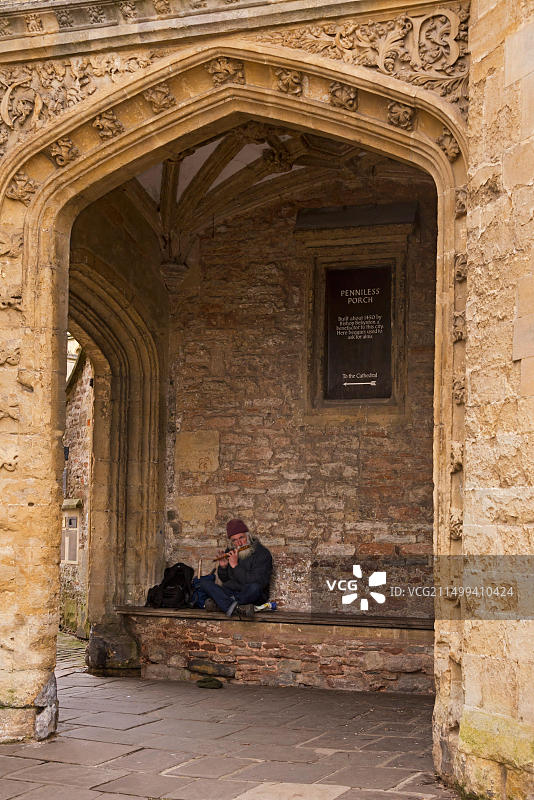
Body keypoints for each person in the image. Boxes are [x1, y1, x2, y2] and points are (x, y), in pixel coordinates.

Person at [198, 519, 272, 618]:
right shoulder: (231, 550)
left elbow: (255, 581)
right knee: (203, 583)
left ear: (248, 536)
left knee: (255, 588)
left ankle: (222, 604)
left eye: (241, 537)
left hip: (250, 593)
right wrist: (223, 567)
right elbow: (225, 579)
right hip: (232, 591)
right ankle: (236, 607)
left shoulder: (262, 553)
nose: (239, 543)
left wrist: (235, 566)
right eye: (234, 540)